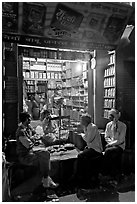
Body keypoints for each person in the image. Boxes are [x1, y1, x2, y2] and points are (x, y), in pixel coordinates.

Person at [16, 112, 59, 190]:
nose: (30, 120)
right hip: (25, 156)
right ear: (26, 119)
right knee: (44, 157)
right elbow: (28, 144)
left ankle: (46, 179)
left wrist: (34, 138)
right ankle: (46, 180)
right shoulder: (21, 132)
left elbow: (36, 134)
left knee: (46, 154)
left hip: (31, 152)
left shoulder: (28, 127)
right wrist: (34, 139)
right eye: (29, 118)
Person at [72, 114, 103, 187]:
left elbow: (89, 139)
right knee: (82, 155)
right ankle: (82, 175)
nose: (80, 121)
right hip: (91, 147)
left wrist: (82, 135)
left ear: (85, 121)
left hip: (96, 149)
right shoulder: (86, 127)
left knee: (80, 156)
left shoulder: (92, 127)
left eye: (81, 120)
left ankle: (79, 176)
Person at [104, 108, 127, 182]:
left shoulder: (123, 126)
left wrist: (111, 144)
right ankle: (110, 173)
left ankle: (110, 173)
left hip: (120, 146)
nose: (111, 118)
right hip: (111, 145)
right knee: (109, 151)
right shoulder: (108, 125)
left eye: (112, 116)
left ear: (117, 116)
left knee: (108, 152)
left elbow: (120, 140)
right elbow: (106, 136)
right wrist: (110, 143)